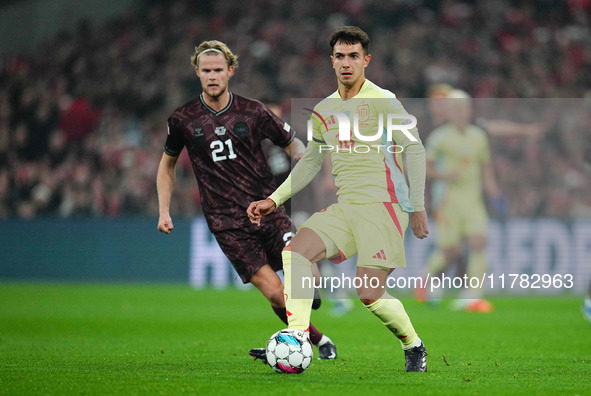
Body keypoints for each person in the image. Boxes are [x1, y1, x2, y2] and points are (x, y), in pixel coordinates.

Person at [248, 26, 429, 372]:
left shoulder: (383, 100)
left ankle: (413, 345)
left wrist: (417, 205)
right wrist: (273, 199)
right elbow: (312, 162)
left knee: (369, 295)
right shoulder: (324, 109)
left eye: (354, 56)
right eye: (340, 57)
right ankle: (297, 335)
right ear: (332, 62)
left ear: (366, 61)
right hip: (346, 208)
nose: (347, 63)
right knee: (295, 252)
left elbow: (414, 149)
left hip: (384, 207)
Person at [156, 40, 337, 360]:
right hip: (227, 223)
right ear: (197, 72)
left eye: (218, 70)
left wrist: (299, 160)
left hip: (267, 209)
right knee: (276, 295)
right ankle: (318, 342)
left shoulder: (253, 110)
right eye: (206, 70)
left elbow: (293, 143)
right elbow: (167, 165)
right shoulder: (182, 119)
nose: (212, 76)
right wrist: (164, 211)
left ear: (230, 71)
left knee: (306, 281)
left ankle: (301, 332)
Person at [420, 89, 502, 312]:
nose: (460, 112)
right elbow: (425, 168)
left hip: (473, 199)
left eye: (464, 107)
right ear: (449, 111)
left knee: (478, 243)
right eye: (455, 108)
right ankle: (424, 278)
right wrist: (445, 176)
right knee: (450, 252)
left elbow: (485, 165)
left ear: (469, 110)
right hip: (448, 200)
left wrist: (492, 188)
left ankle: (473, 296)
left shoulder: (478, 136)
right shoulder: (440, 137)